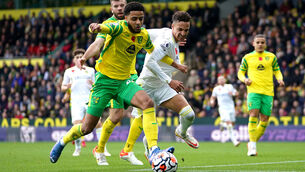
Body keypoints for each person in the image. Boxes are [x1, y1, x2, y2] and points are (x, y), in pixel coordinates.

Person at [50, 2, 175, 165]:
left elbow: (155, 53)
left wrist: (176, 65)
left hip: (124, 82)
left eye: (141, 19)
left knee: (147, 103)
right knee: (86, 128)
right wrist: (85, 54)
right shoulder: (116, 27)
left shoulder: (143, 35)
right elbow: (98, 41)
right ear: (127, 18)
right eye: (135, 19)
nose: (138, 22)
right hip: (104, 83)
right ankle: (62, 141)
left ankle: (153, 150)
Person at [83, 0, 180, 166]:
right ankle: (100, 149)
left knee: (145, 106)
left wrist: (175, 38)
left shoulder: (136, 23)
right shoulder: (109, 25)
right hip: (112, 76)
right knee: (116, 116)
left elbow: (153, 36)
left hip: (131, 75)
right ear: (111, 8)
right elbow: (98, 43)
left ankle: (135, 149)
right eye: (116, 6)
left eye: (122, 5)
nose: (119, 8)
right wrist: (85, 57)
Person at [124, 11, 199, 159]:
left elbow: (144, 33)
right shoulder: (167, 41)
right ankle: (141, 149)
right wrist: (169, 80)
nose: (183, 33)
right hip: (146, 85)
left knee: (189, 115)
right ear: (173, 27)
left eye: (186, 30)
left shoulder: (165, 32)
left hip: (162, 87)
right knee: (143, 121)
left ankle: (182, 132)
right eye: (180, 30)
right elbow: (150, 62)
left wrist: (176, 65)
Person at [238, 34, 284, 156]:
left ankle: (251, 142)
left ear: (265, 44)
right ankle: (252, 146)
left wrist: (280, 79)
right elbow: (240, 73)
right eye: (257, 42)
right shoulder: (247, 57)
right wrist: (245, 80)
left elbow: (277, 70)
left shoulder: (271, 57)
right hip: (253, 91)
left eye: (262, 42)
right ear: (253, 43)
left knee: (264, 120)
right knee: (253, 114)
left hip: (268, 92)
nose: (260, 44)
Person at [61, 48, 95, 156]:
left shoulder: (91, 70)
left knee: (97, 123)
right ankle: (78, 148)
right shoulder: (69, 71)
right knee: (77, 124)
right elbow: (62, 87)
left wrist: (93, 84)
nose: (80, 58)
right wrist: (67, 87)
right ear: (74, 60)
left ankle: (102, 148)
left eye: (81, 57)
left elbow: (97, 86)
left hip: (89, 100)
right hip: (76, 102)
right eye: (77, 57)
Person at [210, 76, 240, 147]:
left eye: (222, 79)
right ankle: (234, 141)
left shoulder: (229, 86)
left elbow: (237, 93)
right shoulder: (216, 89)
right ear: (218, 81)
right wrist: (212, 101)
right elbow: (213, 97)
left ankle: (222, 125)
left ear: (225, 80)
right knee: (229, 123)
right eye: (219, 80)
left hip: (231, 107)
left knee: (232, 123)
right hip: (223, 108)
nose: (221, 81)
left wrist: (232, 94)